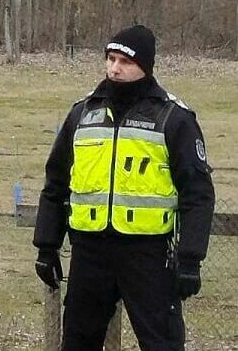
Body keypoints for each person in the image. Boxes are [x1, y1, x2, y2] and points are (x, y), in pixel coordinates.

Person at [33, 24, 215, 351]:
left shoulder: (173, 118)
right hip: (90, 253)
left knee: (162, 343)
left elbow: (197, 194)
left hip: (147, 254)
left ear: (145, 66)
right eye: (110, 58)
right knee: (77, 342)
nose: (115, 68)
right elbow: (56, 183)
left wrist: (190, 259)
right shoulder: (83, 114)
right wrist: (46, 246)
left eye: (125, 62)